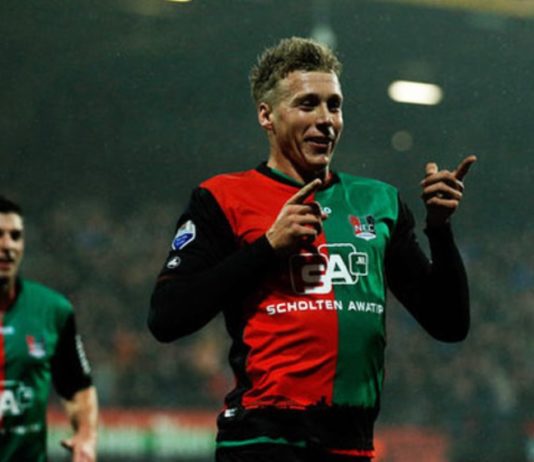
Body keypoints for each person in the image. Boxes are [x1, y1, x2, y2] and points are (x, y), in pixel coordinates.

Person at [148, 37, 476, 461]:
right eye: (307, 104)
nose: (325, 120)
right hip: (263, 440)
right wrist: (268, 247)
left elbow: (449, 323)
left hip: (353, 443)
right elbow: (167, 316)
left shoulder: (379, 202)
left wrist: (440, 229)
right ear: (266, 115)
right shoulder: (222, 198)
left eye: (334, 106)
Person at [0, 196, 98, 462]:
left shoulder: (53, 310)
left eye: (15, 236)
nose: (8, 245)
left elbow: (78, 387)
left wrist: (86, 435)